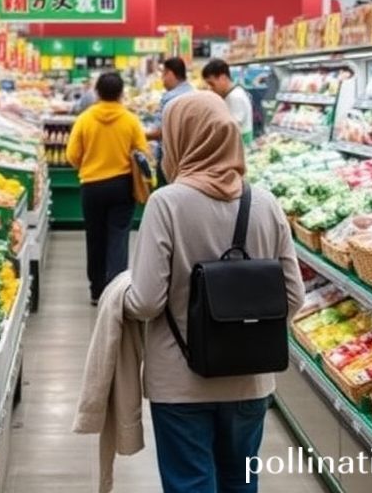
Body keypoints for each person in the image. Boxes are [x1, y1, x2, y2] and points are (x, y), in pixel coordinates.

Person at [124, 92, 305, 493]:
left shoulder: (166, 204)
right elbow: (294, 298)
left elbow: (148, 300)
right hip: (250, 380)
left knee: (191, 483)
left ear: (180, 138)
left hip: (179, 380)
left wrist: (119, 296)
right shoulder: (266, 204)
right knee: (241, 482)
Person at [66, 72, 148, 305]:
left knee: (95, 237)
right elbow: (143, 152)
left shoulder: (85, 119)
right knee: (119, 237)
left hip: (92, 186)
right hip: (122, 186)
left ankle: (96, 290)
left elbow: (72, 155)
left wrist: (88, 163)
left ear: (97, 92)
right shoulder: (130, 120)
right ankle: (117, 292)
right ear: (122, 93)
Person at [146, 57, 193, 186]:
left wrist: (140, 136)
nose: (162, 80)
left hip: (170, 157)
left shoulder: (170, 98)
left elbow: (161, 132)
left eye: (163, 75)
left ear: (170, 74)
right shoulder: (193, 93)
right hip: (189, 156)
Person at [201, 58, 254, 145]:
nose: (210, 88)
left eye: (211, 84)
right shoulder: (229, 95)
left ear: (223, 78)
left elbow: (231, 127)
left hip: (240, 144)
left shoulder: (235, 97)